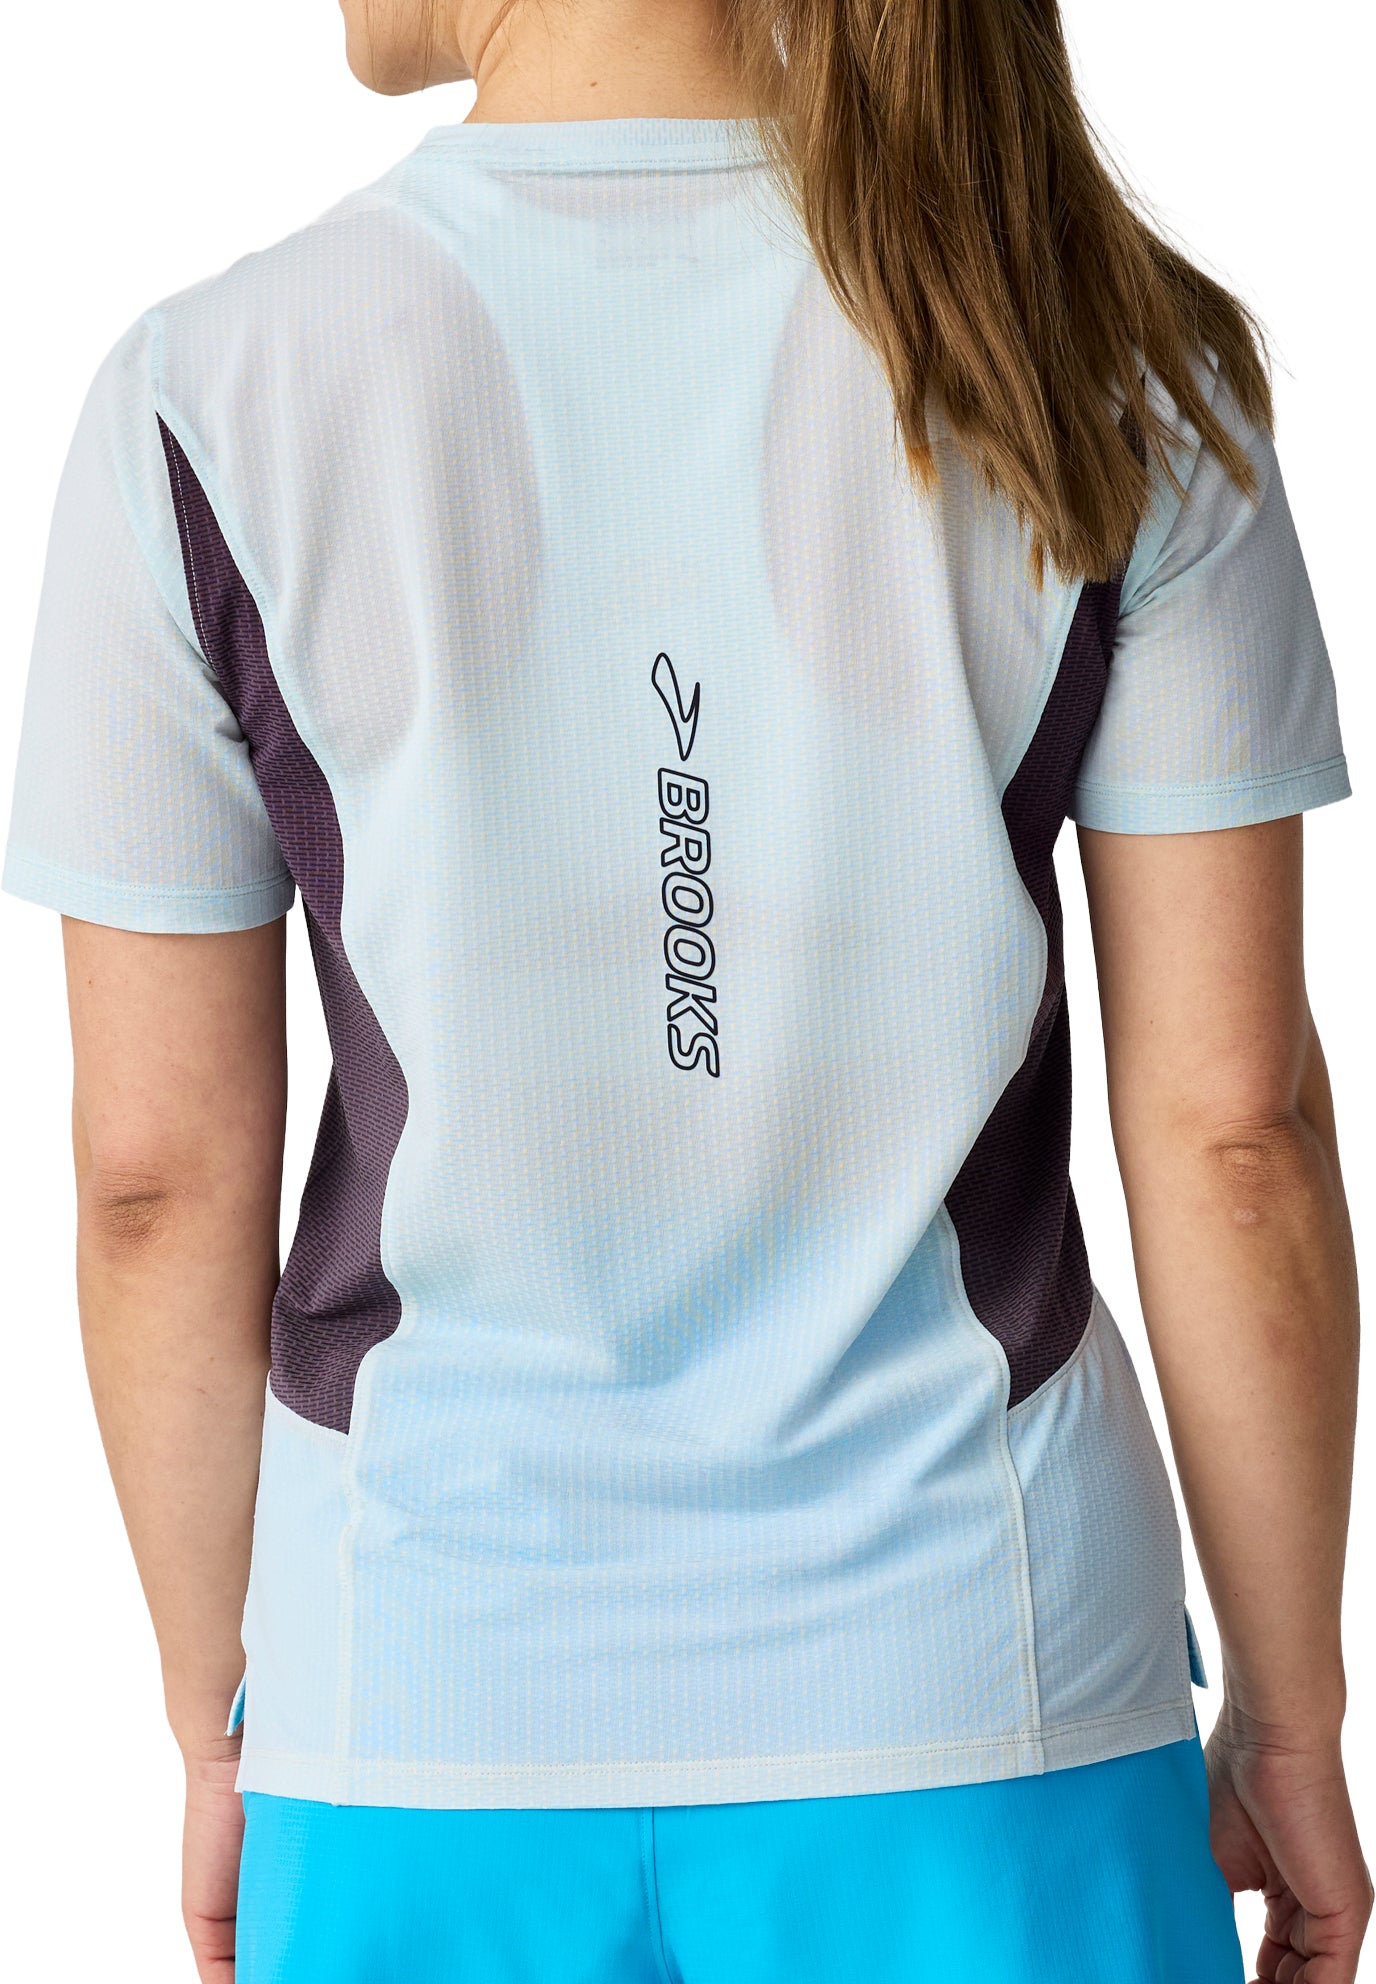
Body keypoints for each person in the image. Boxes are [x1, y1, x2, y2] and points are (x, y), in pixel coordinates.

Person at [2, 0, 1368, 1977]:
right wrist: (1296, 1716)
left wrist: (231, 1711)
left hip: (421, 1720)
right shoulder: (1101, 357)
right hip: (986, 1696)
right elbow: (1236, 1130)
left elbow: (153, 1181)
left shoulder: (198, 402)